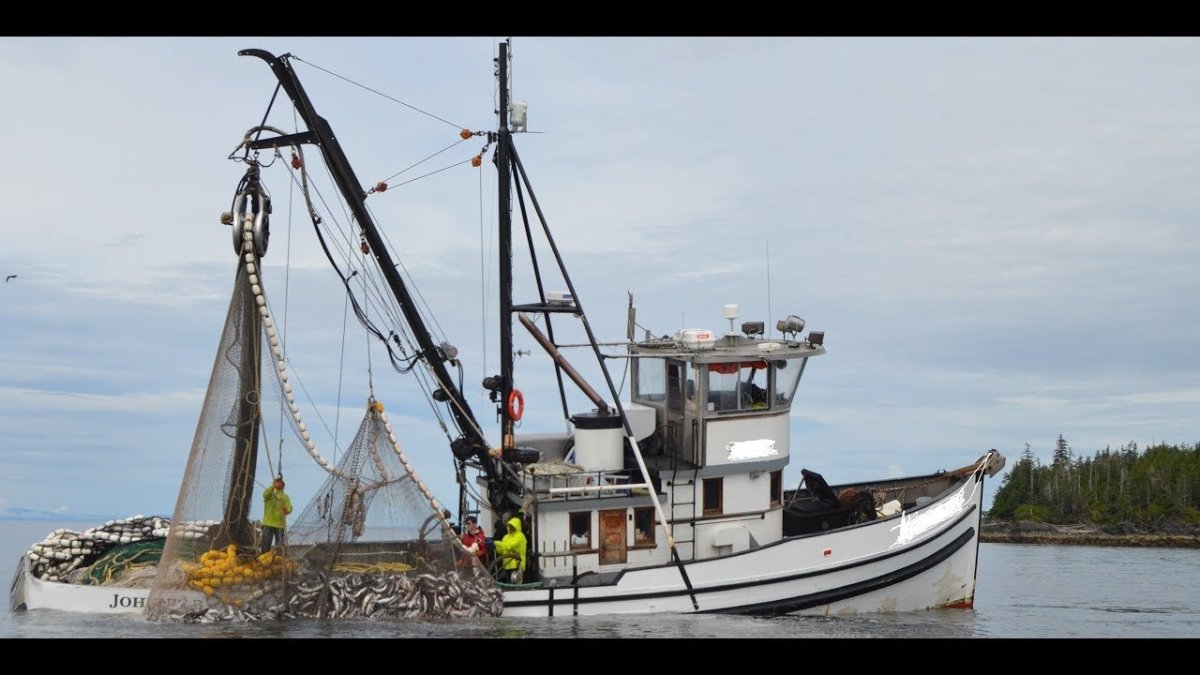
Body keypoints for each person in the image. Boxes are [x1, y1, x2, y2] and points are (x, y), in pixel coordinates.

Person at [491, 516, 527, 584]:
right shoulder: (506, 537)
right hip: (506, 565)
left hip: (517, 565)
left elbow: (508, 546)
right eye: (509, 526)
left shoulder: (520, 536)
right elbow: (502, 550)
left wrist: (495, 542)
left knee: (516, 584)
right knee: (508, 583)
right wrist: (495, 547)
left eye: (512, 526)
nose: (510, 528)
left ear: (516, 526)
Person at [261, 475, 292, 552]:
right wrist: (273, 487)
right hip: (268, 523)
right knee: (266, 545)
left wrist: (287, 510)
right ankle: (264, 559)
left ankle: (279, 560)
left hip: (280, 525)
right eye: (277, 482)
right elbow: (265, 494)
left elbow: (289, 508)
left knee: (280, 547)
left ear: (283, 485)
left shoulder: (285, 497)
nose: (279, 484)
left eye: (280, 483)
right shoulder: (270, 494)